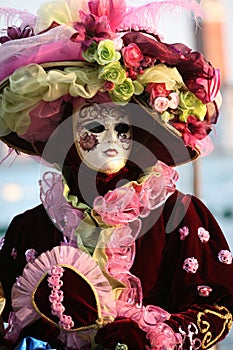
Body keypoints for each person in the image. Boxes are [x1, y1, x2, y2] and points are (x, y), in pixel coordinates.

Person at [0, 0, 232, 349]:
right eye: (94, 125)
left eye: (122, 128)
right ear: (66, 133)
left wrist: (152, 339)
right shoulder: (29, 228)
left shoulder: (177, 215)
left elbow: (218, 307)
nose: (111, 139)